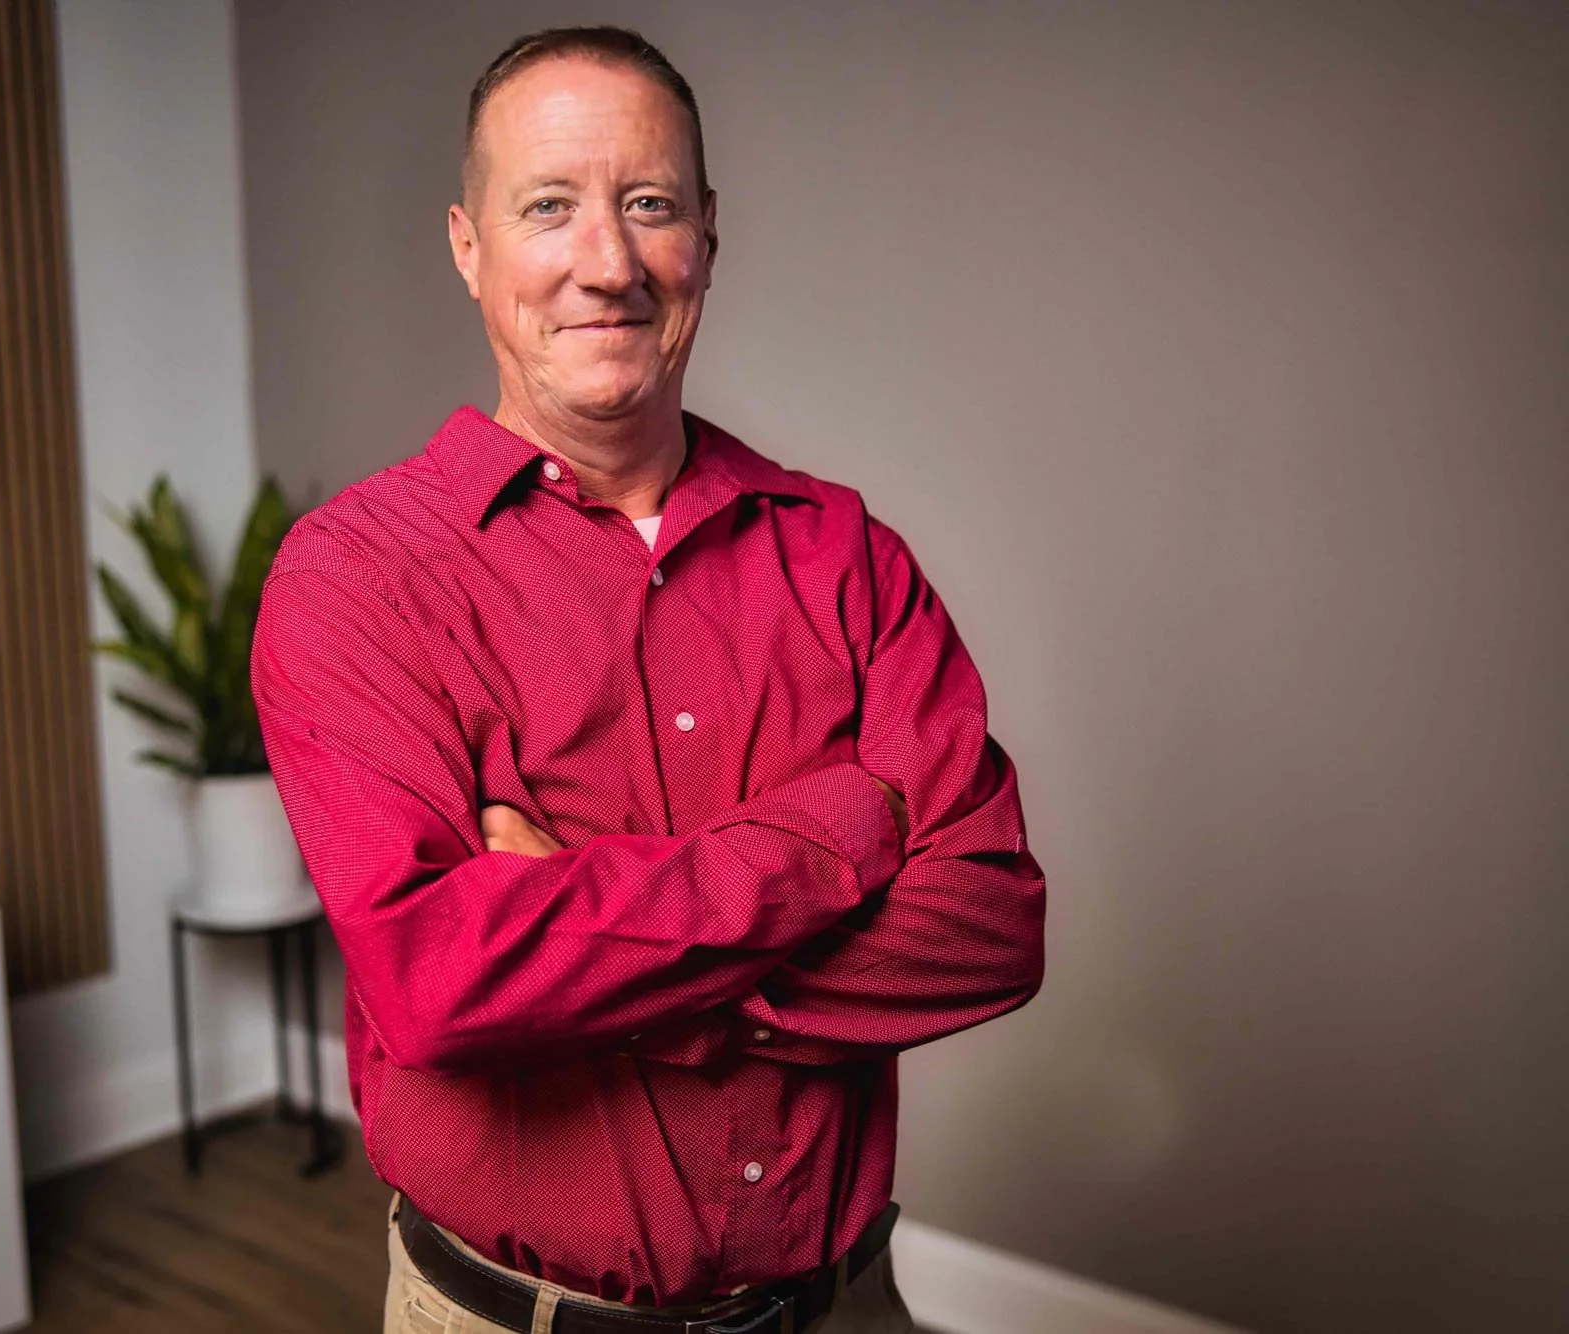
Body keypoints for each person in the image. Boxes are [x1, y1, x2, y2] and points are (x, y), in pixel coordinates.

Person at [251, 25, 1046, 1334]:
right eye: (549, 206)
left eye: (649, 205)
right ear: (469, 246)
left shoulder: (846, 554)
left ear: (708, 240)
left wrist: (590, 949)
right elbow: (436, 982)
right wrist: (841, 831)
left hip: (844, 1306)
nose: (606, 263)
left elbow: (991, 921)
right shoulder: (356, 577)